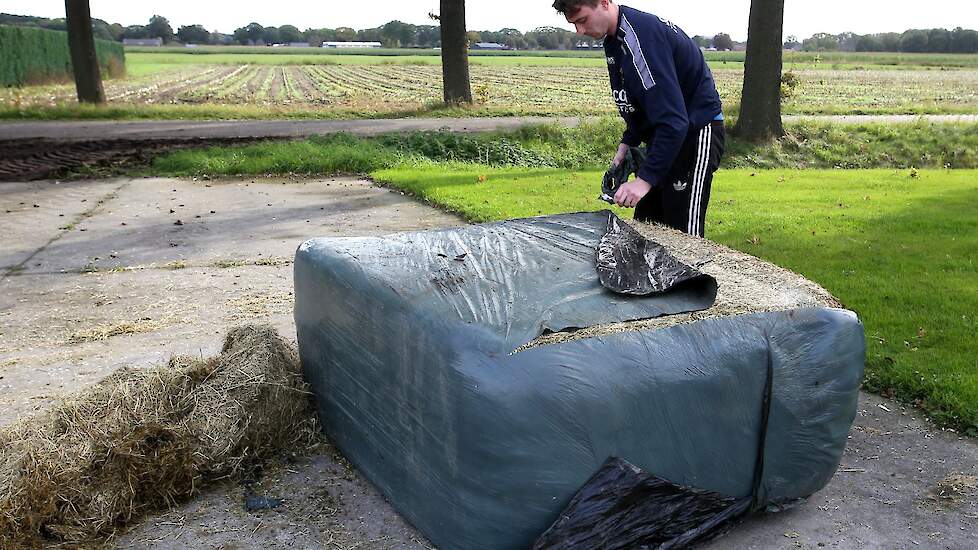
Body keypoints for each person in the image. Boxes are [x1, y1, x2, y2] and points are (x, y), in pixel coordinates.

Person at [554, 0, 726, 237]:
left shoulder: (643, 38)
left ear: (604, 3)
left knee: (685, 238)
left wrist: (644, 181)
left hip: (695, 134)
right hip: (666, 134)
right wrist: (628, 143)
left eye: (582, 20)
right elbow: (638, 101)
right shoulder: (615, 40)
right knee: (647, 232)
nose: (580, 31)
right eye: (574, 24)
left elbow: (675, 120)